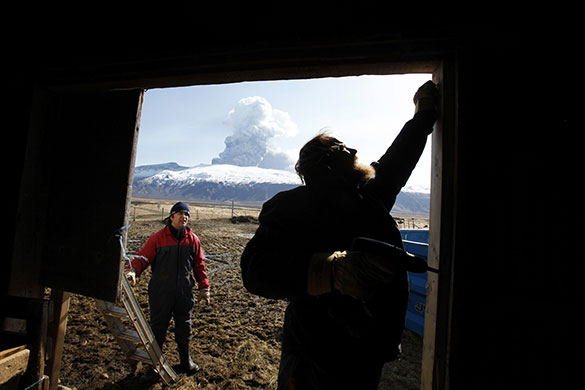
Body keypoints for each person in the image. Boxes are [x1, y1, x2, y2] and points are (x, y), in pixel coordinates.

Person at [240, 81, 439, 389]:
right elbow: (255, 271)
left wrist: (423, 117)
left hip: (366, 350)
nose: (355, 151)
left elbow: (398, 159)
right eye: (344, 148)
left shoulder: (368, 198)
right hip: (313, 355)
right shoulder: (290, 206)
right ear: (327, 161)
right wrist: (327, 271)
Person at [125, 201, 210, 379]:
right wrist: (132, 270)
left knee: (185, 327)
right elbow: (143, 258)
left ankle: (186, 361)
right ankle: (153, 366)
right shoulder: (157, 238)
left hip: (184, 293)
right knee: (157, 329)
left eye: (186, 214)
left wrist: (204, 287)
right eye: (180, 213)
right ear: (171, 217)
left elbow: (199, 265)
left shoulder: (193, 240)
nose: (184, 217)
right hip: (161, 292)